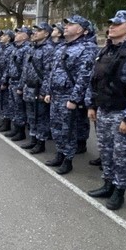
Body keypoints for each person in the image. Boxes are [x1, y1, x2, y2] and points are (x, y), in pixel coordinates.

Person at [85, 10, 126, 211]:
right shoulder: (106, 51)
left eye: (117, 24)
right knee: (105, 151)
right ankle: (108, 184)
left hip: (121, 113)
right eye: (111, 23)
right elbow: (94, 80)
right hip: (104, 110)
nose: (111, 26)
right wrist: (92, 105)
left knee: (121, 155)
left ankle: (119, 191)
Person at [43, 15, 98, 174]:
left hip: (69, 96)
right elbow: (52, 72)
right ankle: (59, 154)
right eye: (65, 24)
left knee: (68, 130)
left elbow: (84, 76)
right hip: (56, 95)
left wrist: (74, 99)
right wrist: (49, 91)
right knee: (56, 127)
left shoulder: (88, 48)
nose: (65, 26)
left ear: (81, 29)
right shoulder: (62, 47)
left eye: (71, 24)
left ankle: (68, 160)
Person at [20, 22, 55, 154]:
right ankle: (33, 139)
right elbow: (25, 69)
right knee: (31, 116)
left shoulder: (48, 49)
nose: (34, 33)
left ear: (46, 33)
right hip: (29, 87)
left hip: (38, 89)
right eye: (34, 31)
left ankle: (41, 142)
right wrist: (22, 85)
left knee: (41, 117)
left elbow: (48, 72)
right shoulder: (31, 48)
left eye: (38, 30)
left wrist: (44, 91)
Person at [5, 27, 33, 141]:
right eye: (16, 32)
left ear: (26, 36)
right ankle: (16, 129)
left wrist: (21, 86)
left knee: (20, 108)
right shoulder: (16, 48)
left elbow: (25, 70)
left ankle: (21, 131)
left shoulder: (27, 48)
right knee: (15, 107)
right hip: (13, 80)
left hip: (19, 82)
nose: (16, 34)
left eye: (20, 32)